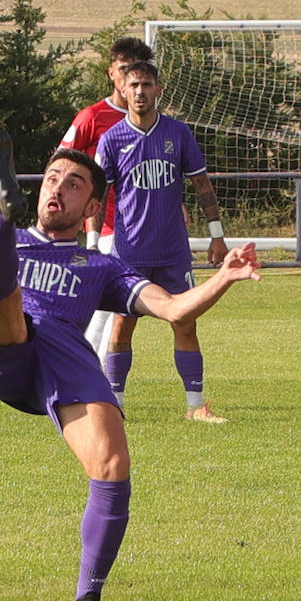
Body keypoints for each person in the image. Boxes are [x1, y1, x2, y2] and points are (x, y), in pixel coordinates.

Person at [0, 123, 261, 601]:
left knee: (113, 462)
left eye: (74, 184)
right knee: (0, 298)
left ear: (93, 208)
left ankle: (87, 600)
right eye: (52, 178)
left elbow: (175, 307)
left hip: (64, 353)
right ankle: (1, 212)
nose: (58, 188)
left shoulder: (102, 267)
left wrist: (224, 275)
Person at [90, 60, 232, 423]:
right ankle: (115, 404)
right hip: (129, 254)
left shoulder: (178, 133)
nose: (140, 92)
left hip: (172, 252)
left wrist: (217, 237)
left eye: (146, 85)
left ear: (158, 90)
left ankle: (195, 406)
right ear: (123, 89)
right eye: (133, 85)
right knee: (122, 326)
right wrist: (92, 244)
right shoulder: (112, 139)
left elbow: (202, 185)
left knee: (186, 323)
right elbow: (97, 195)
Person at [56, 36, 156, 360]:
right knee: (103, 306)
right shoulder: (93, 117)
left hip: (140, 229)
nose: (130, 78)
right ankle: (83, 371)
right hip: (107, 226)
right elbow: (61, 160)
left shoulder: (147, 122)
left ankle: (88, 373)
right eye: (123, 69)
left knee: (121, 311)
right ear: (112, 73)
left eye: (136, 71)